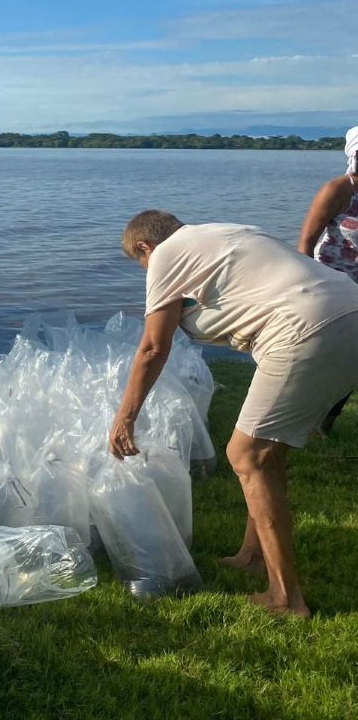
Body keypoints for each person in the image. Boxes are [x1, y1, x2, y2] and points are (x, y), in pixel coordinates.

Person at [109, 211, 358, 617]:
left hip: (305, 328)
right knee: (269, 452)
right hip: (349, 311)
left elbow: (153, 347)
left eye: (141, 263)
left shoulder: (166, 255)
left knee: (246, 454)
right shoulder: (225, 234)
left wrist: (125, 417)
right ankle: (252, 555)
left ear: (144, 247)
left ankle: (285, 598)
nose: (146, 272)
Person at [296, 126, 358, 433]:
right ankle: (306, 414)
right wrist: (306, 289)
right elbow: (306, 243)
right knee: (323, 354)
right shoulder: (337, 191)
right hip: (332, 284)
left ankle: (326, 422)